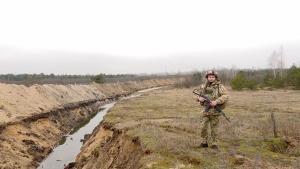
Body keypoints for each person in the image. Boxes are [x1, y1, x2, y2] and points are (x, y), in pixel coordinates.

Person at [195, 70, 229, 149]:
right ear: (207, 78)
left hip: (215, 111)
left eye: (213, 77)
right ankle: (204, 142)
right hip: (205, 111)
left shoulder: (220, 87)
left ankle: (214, 143)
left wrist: (216, 102)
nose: (211, 78)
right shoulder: (203, 86)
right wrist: (199, 99)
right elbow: (197, 95)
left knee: (214, 128)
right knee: (203, 127)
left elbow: (225, 96)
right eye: (209, 77)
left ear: (215, 78)